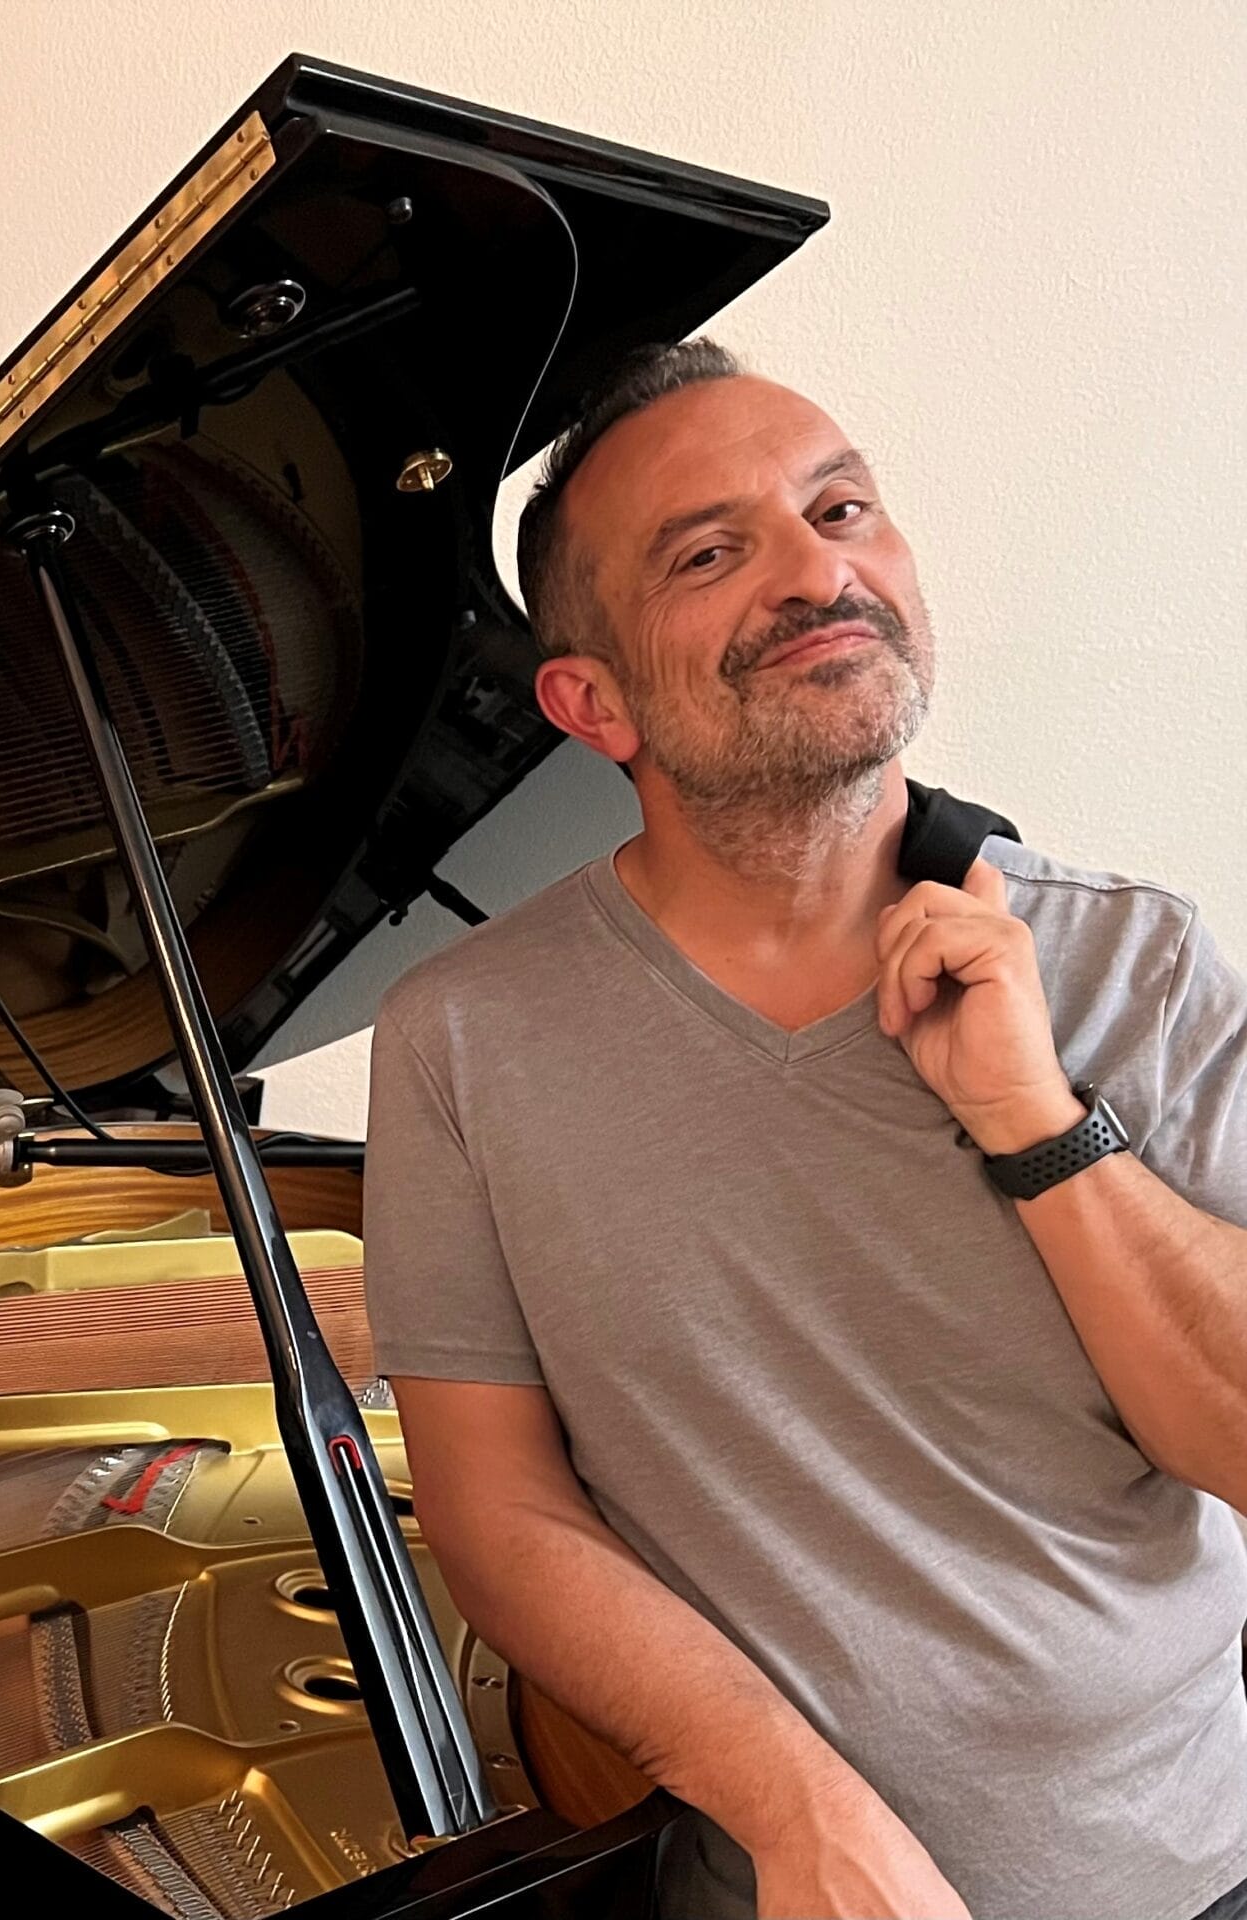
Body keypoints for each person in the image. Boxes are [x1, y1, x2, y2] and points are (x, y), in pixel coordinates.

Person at [361, 340, 1247, 1920]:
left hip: (1190, 1870)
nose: (818, 569)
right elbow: (496, 1516)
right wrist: (802, 1813)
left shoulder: (1136, 959)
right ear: (591, 702)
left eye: (842, 508)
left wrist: (1036, 1123)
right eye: (714, 552)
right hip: (755, 1886)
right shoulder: (463, 1038)